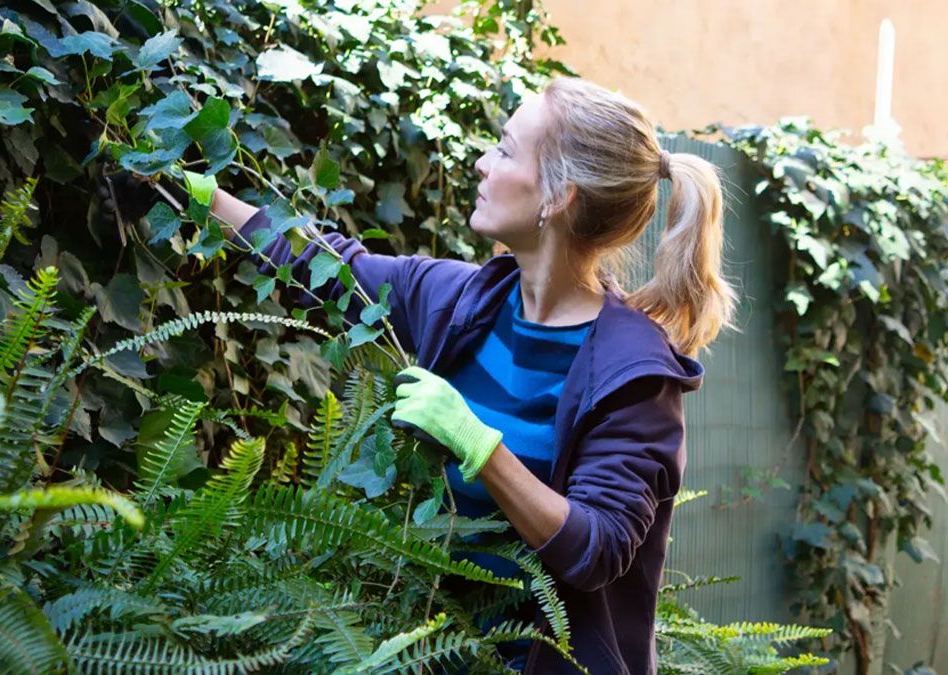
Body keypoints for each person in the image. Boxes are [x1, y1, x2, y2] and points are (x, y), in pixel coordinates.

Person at [105, 76, 736, 674]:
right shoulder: (460, 301)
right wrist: (193, 192)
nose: (482, 164)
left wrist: (478, 445)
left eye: (505, 150)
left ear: (557, 197)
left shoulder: (633, 375)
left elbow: (596, 550)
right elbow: (322, 263)